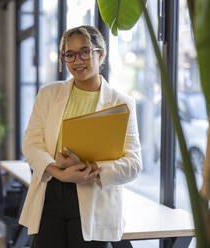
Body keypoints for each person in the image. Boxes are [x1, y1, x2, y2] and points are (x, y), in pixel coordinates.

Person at [19, 25, 142, 248]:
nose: (78, 60)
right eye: (70, 54)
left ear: (100, 54)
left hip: (95, 197)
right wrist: (61, 173)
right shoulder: (48, 94)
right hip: (51, 193)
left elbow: (133, 164)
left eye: (85, 51)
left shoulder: (122, 103)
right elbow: (31, 144)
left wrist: (89, 170)